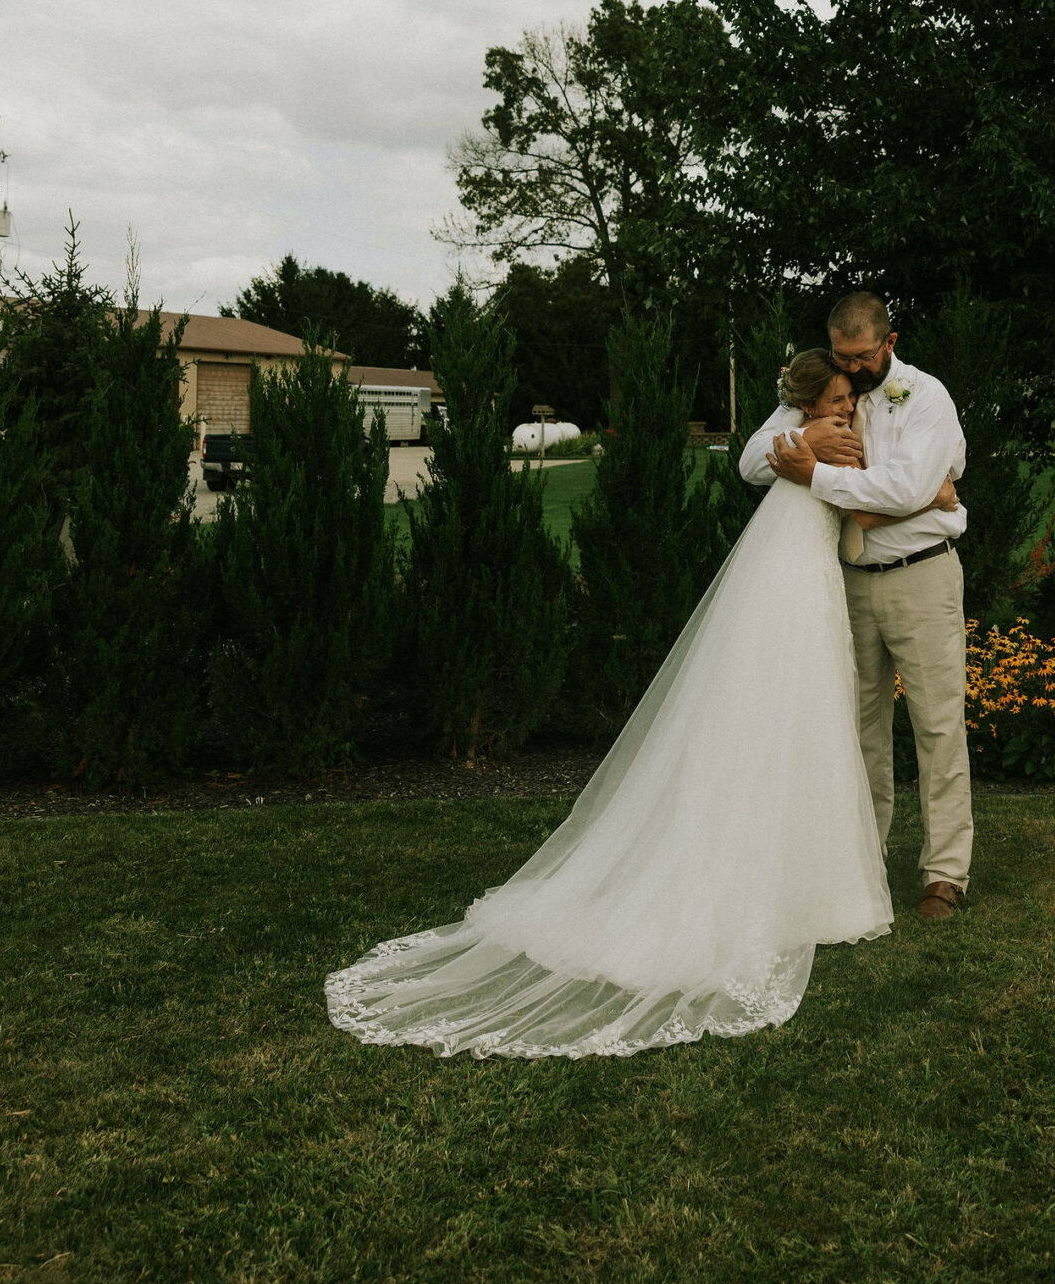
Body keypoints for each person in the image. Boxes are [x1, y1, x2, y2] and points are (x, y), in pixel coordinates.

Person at [326, 350, 916, 1061]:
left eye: (851, 399)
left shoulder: (814, 435)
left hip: (801, 577)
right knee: (784, 720)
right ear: (808, 402)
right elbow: (800, 473)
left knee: (806, 728)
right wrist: (928, 493)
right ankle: (773, 887)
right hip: (790, 588)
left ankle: (810, 883)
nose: (848, 411)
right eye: (838, 400)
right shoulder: (802, 433)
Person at [741, 289, 972, 923]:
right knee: (859, 730)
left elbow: (903, 486)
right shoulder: (826, 388)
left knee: (938, 727)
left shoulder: (925, 397)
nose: (853, 368)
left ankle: (944, 875)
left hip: (920, 579)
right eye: (843, 355)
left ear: (888, 343)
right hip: (845, 582)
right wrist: (803, 436)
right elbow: (749, 463)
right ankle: (859, 866)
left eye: (863, 356)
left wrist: (814, 476)